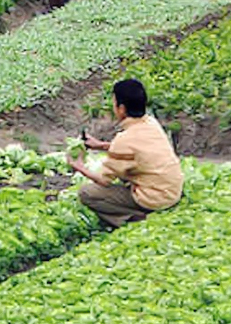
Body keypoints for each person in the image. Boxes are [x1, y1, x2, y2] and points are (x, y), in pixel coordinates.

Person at [69, 78, 183, 228]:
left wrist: (78, 166)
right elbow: (137, 150)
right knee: (125, 171)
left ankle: (132, 219)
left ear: (121, 109)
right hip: (173, 191)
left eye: (114, 103)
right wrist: (100, 146)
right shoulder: (150, 123)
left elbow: (103, 180)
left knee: (87, 193)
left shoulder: (124, 140)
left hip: (154, 199)